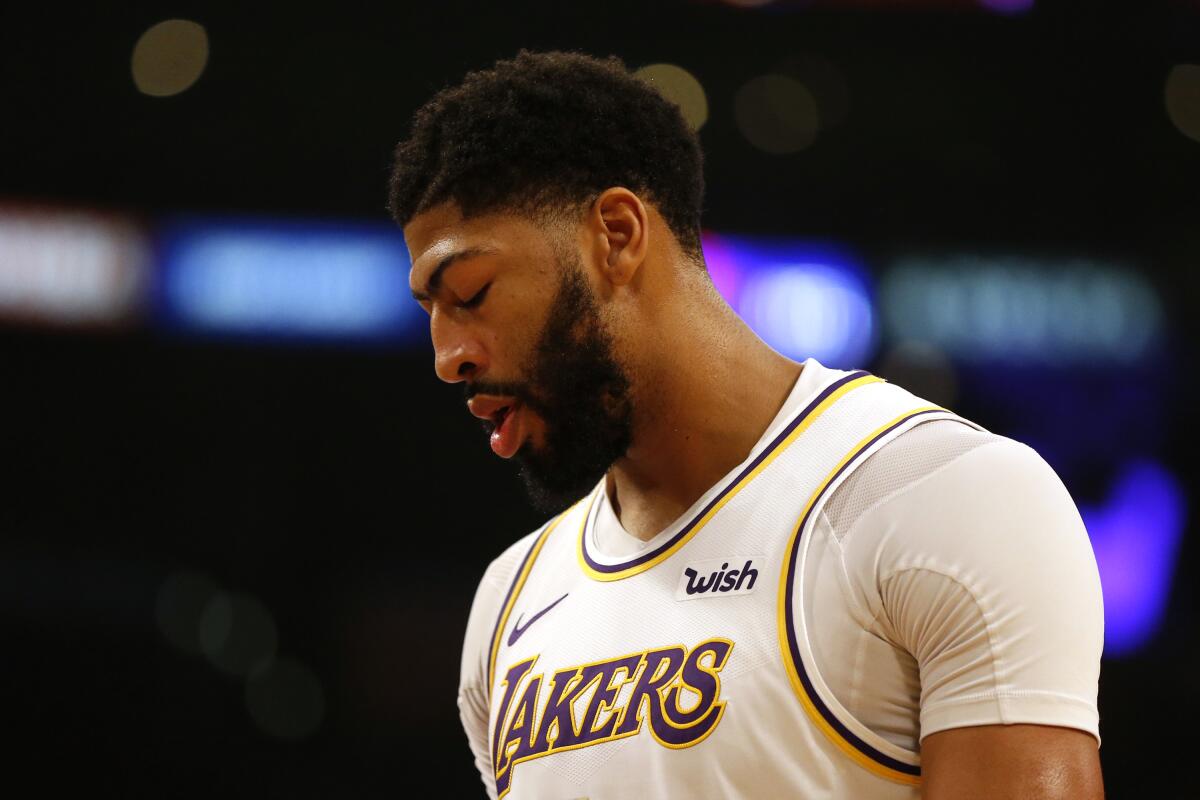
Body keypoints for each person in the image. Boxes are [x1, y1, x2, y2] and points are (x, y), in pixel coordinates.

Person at [387, 50, 1105, 799]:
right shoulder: (510, 604)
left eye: (469, 291)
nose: (446, 357)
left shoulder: (942, 498)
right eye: (429, 311)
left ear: (618, 234)